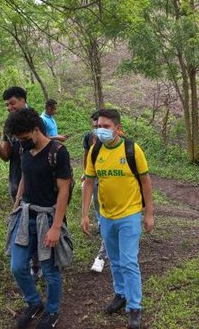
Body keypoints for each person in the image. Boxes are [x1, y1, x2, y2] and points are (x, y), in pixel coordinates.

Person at [81, 109, 154, 329]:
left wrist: (149, 213)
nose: (101, 130)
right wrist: (84, 213)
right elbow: (89, 183)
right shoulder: (95, 151)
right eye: (98, 126)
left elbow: (146, 182)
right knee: (114, 259)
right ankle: (120, 294)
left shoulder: (132, 149)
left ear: (117, 129)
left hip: (130, 215)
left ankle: (135, 307)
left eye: (106, 127)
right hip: (106, 216)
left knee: (129, 261)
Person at [4, 108, 73, 329]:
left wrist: (55, 227)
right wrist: (16, 206)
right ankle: (34, 303)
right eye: (18, 139)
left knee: (49, 269)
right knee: (17, 266)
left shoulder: (58, 152)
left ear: (36, 130)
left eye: (24, 138)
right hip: (25, 215)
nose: (22, 142)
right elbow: (25, 175)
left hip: (47, 217)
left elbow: (64, 190)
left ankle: (52, 312)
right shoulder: (25, 149)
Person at [0, 87, 46, 280]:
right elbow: (7, 156)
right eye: (6, 104)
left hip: (34, 183)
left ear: (23, 100)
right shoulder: (9, 125)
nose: (9, 107)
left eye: (12, 103)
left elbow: (43, 152)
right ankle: (31, 262)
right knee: (23, 224)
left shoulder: (36, 122)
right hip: (16, 181)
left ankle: (43, 263)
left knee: (38, 223)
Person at [82, 109, 108, 273]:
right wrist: (86, 174)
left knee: (107, 218)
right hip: (96, 180)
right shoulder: (88, 138)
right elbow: (86, 156)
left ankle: (101, 256)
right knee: (101, 215)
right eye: (95, 126)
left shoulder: (121, 144)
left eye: (101, 125)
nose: (98, 129)